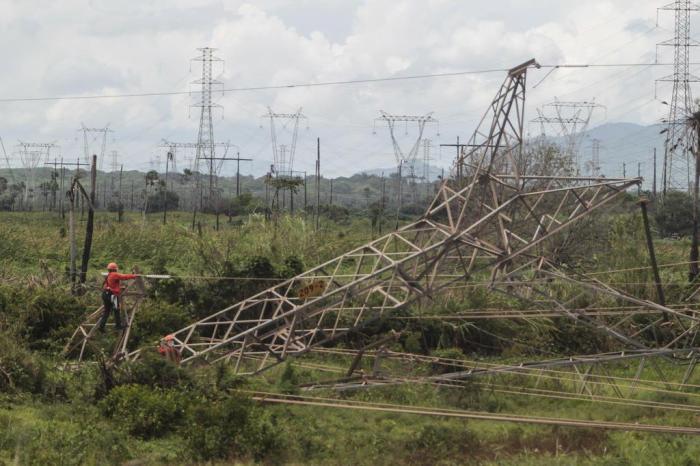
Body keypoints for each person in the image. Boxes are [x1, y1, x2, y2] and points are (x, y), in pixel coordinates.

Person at [98, 262, 137, 332]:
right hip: (112, 296)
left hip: (105, 294)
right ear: (115, 269)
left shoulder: (109, 275)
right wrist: (133, 276)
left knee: (107, 311)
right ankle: (118, 326)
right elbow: (124, 277)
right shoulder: (114, 274)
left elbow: (110, 285)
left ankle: (101, 326)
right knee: (116, 310)